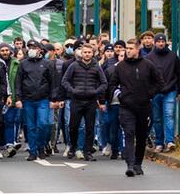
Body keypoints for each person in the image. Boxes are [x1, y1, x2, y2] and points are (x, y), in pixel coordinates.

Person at [110, 39, 164, 176]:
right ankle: (130, 164)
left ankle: (138, 163)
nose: (127, 50)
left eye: (130, 48)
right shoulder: (120, 66)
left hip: (143, 106)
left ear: (137, 49)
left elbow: (159, 82)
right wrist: (120, 95)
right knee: (128, 133)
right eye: (126, 48)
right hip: (126, 106)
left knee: (141, 136)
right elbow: (112, 85)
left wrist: (149, 94)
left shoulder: (147, 65)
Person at [61, 44, 107, 161]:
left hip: (91, 101)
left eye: (89, 52)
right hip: (76, 100)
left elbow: (104, 83)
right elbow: (65, 80)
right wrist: (73, 91)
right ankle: (73, 147)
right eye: (85, 52)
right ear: (82, 53)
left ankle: (87, 152)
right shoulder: (74, 65)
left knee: (90, 127)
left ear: (93, 53)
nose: (87, 54)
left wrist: (95, 92)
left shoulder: (97, 67)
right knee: (73, 127)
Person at [15, 40, 58, 161]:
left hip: (43, 100)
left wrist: (53, 99)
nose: (31, 49)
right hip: (28, 100)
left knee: (43, 124)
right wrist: (18, 98)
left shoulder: (48, 64)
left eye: (34, 47)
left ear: (40, 49)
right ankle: (33, 151)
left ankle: (41, 146)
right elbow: (18, 82)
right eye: (29, 47)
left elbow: (54, 82)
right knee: (30, 127)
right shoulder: (23, 64)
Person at [146, 34, 179, 152]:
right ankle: (159, 142)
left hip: (170, 90)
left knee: (169, 115)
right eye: (158, 41)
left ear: (165, 42)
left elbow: (178, 73)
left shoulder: (173, 56)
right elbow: (147, 77)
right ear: (155, 43)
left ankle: (169, 141)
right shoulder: (149, 57)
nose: (161, 43)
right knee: (157, 118)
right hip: (155, 93)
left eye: (163, 41)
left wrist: (178, 90)